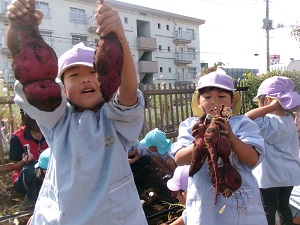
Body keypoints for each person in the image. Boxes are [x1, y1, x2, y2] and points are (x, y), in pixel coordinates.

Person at [7, 1, 147, 224]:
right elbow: (34, 84)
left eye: (93, 71)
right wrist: (23, 33)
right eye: (73, 75)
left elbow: (128, 92)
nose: (85, 78)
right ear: (63, 90)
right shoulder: (58, 119)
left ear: (107, 76)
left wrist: (119, 37)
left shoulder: (115, 119)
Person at [172, 70, 268, 224]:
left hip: (240, 201)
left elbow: (252, 159)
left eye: (221, 96)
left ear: (233, 101)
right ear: (198, 101)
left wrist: (231, 137)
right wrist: (200, 143)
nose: (214, 101)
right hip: (203, 202)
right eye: (207, 97)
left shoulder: (242, 124)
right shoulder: (191, 126)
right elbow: (179, 159)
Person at [245, 76, 300, 225]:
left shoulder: (265, 121)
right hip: (289, 174)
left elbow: (245, 119)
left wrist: (269, 108)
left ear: (268, 100)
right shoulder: (289, 119)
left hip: (269, 175)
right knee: (283, 206)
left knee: (267, 208)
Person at [9, 109, 48, 196]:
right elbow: (16, 167)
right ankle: (31, 200)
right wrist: (24, 161)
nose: (39, 134)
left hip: (47, 173)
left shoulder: (49, 132)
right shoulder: (17, 137)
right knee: (34, 168)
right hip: (25, 177)